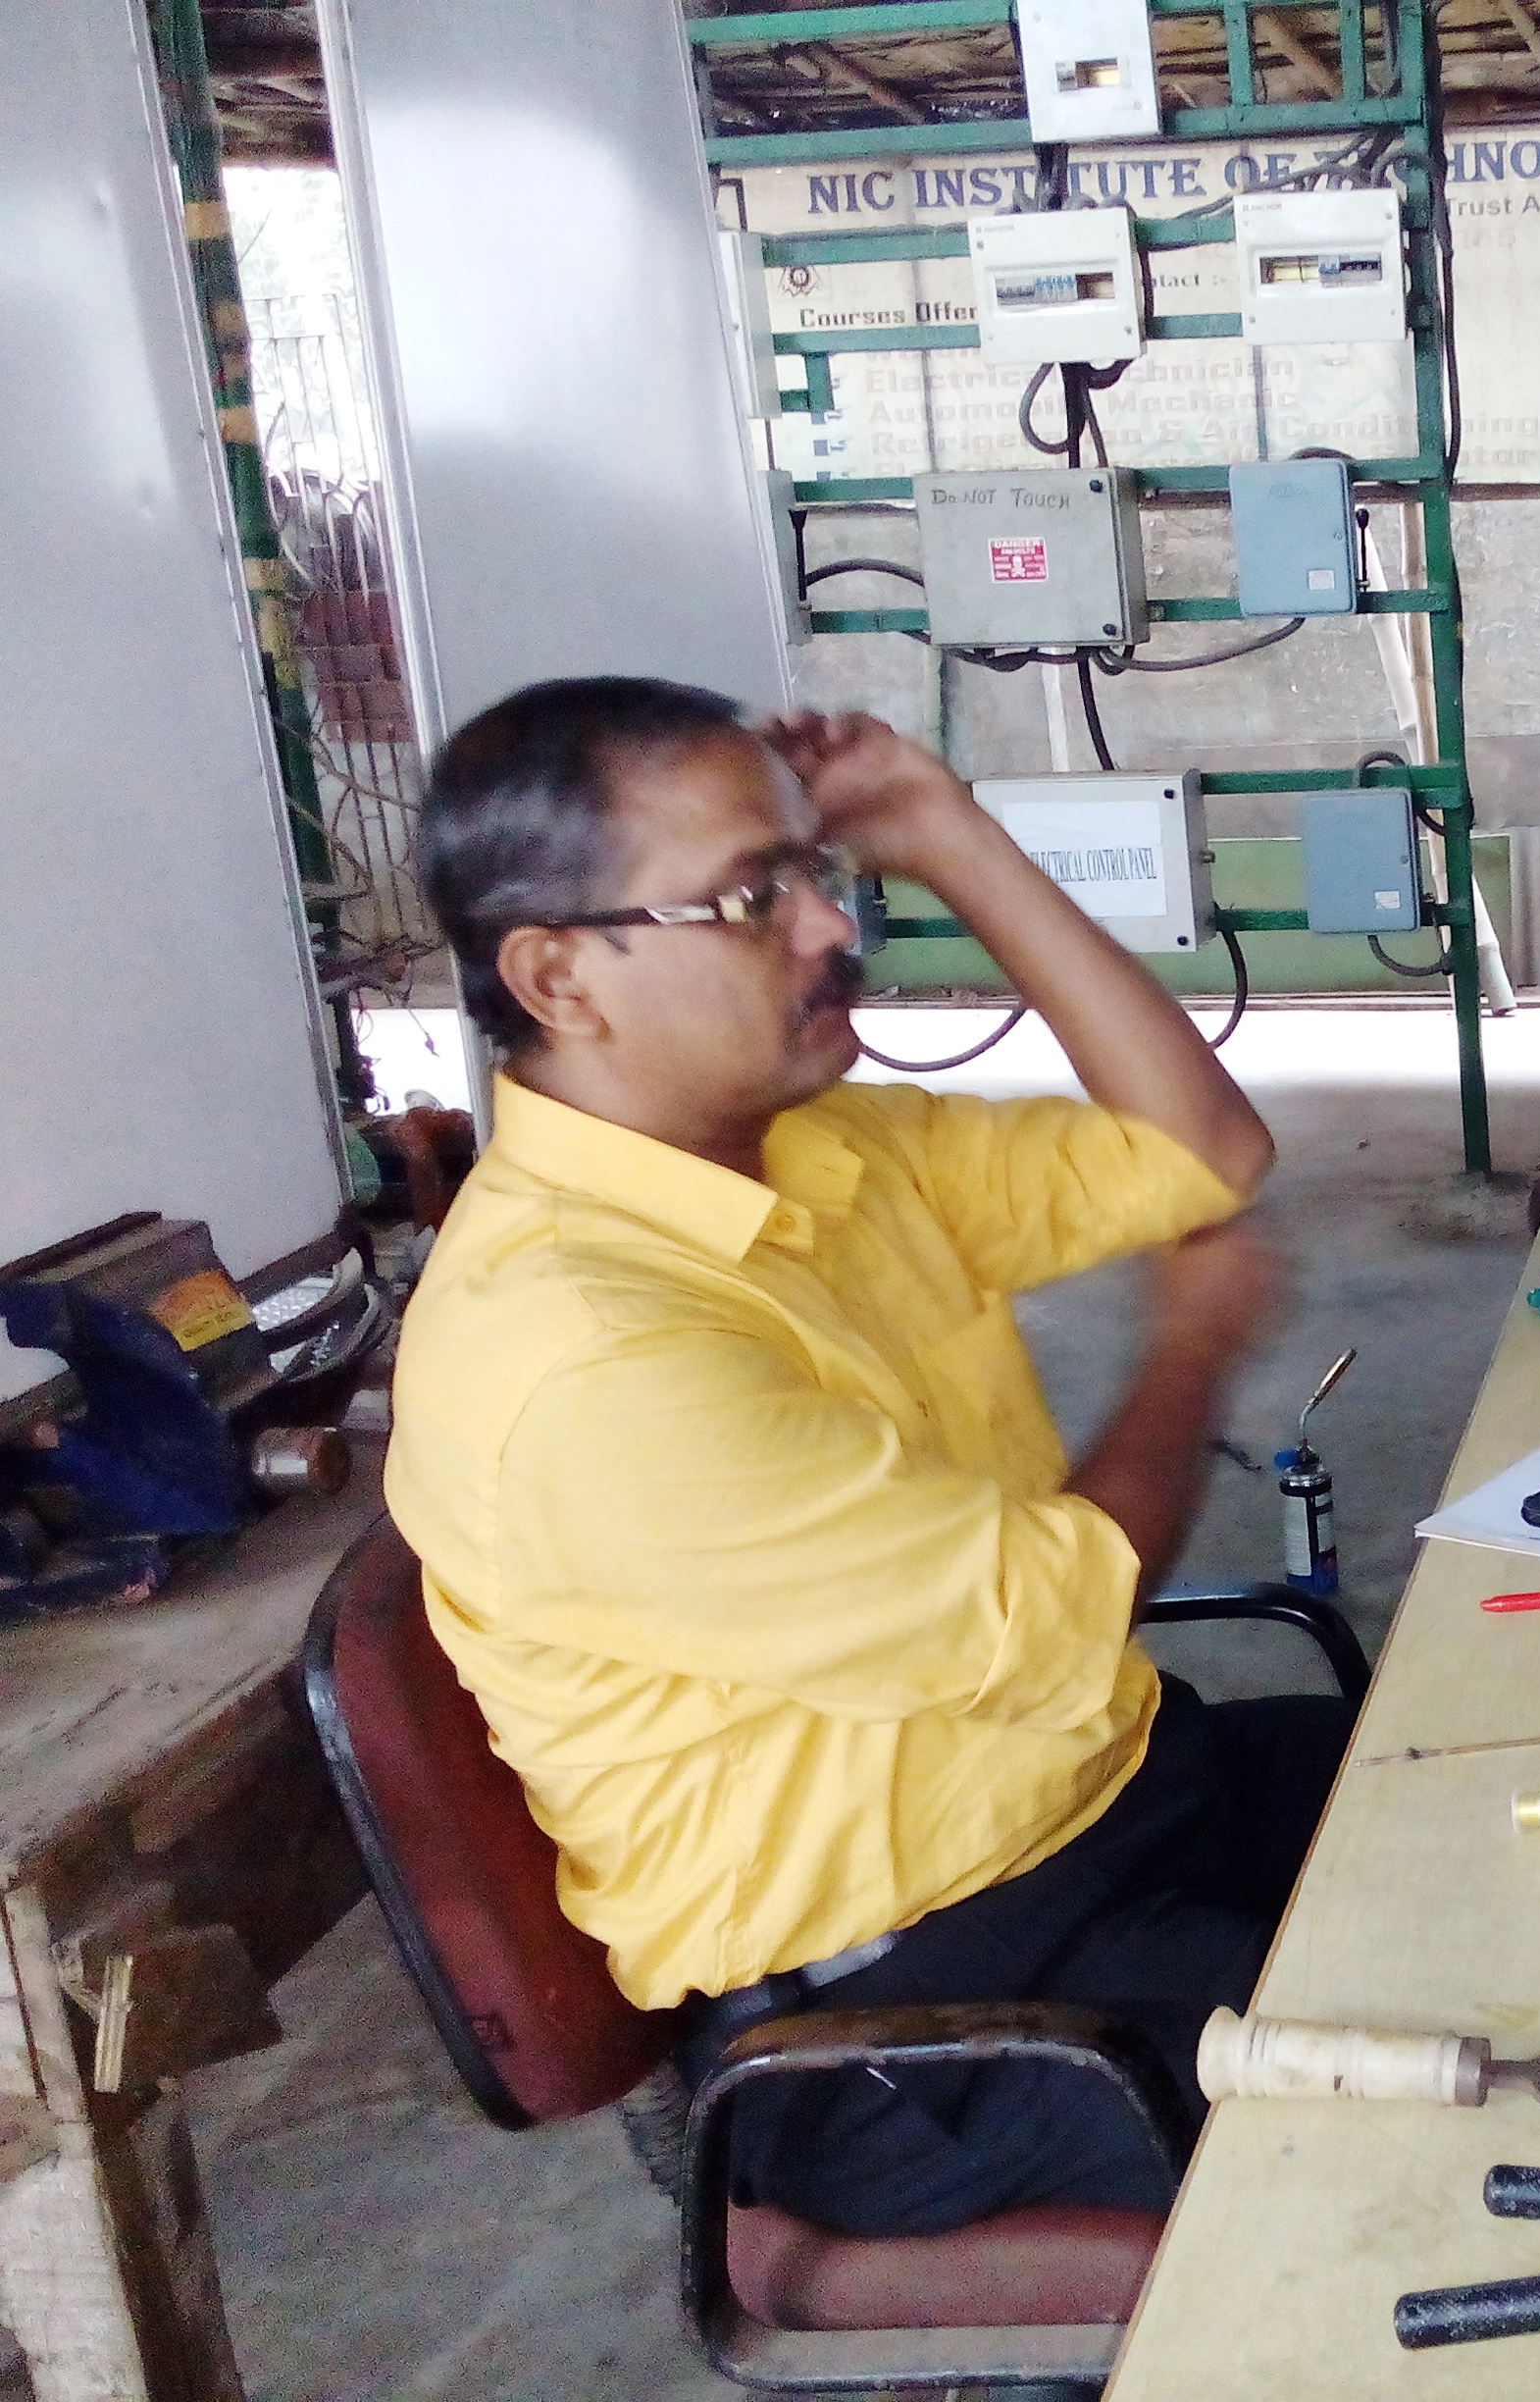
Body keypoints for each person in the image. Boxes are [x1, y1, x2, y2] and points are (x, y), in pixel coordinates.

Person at [386, 676, 1333, 2236]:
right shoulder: (588, 1353)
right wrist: (1193, 1342)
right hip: (916, 2010)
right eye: (750, 897)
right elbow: (1057, 1607)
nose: (832, 927)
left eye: (818, 873)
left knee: (1507, 1809)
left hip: (1107, 1803)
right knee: (1475, 2090)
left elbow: (1199, 1156)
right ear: (559, 977)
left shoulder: (816, 1149)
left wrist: (950, 834)